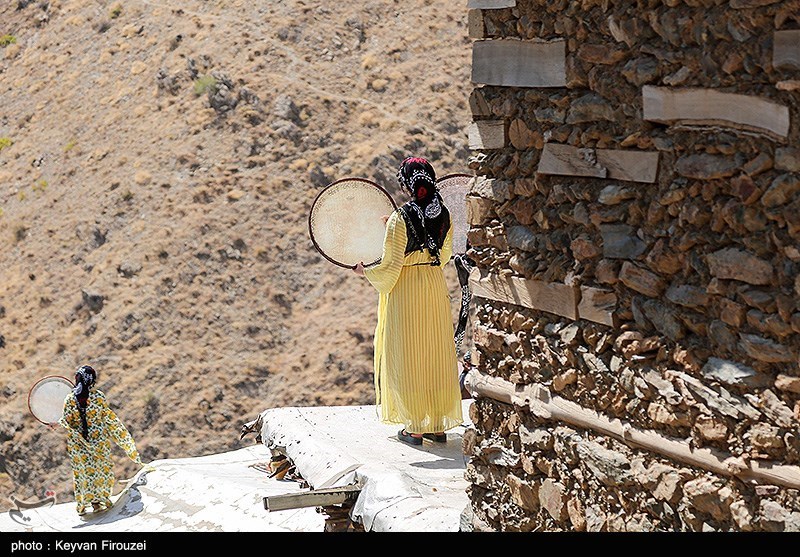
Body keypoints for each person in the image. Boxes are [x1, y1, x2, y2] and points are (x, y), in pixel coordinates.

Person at [353, 157, 463, 446]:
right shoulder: (444, 214)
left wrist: (366, 271)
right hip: (433, 286)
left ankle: (414, 427)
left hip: (407, 289)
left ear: (408, 185)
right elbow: (445, 255)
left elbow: (391, 265)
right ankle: (437, 425)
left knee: (409, 353)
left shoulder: (400, 218)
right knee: (434, 352)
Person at [52, 365, 143, 515]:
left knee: (83, 473)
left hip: (79, 444)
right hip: (99, 442)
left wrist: (57, 423)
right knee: (101, 471)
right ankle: (99, 501)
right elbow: (106, 417)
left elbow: (68, 421)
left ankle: (83, 504)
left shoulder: (70, 399)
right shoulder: (98, 396)